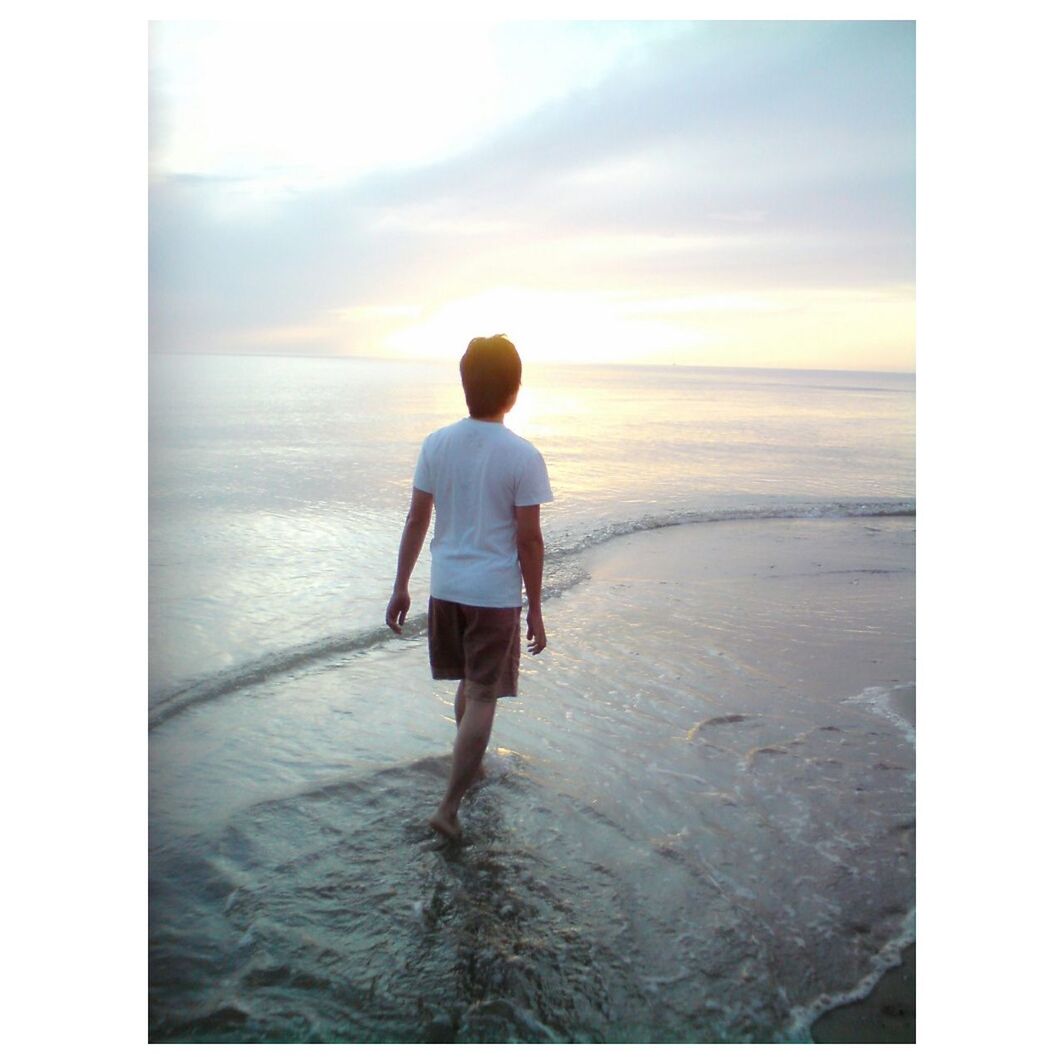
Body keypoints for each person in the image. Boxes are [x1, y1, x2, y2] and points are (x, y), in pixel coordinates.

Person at [385, 335, 553, 840]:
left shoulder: (436, 443)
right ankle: (449, 808)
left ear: (465, 385)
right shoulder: (522, 456)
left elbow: (417, 518)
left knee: (468, 683)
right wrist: (537, 608)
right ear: (515, 391)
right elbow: (529, 542)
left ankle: (469, 767)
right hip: (492, 596)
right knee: (483, 694)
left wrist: (400, 586)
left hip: (447, 588)